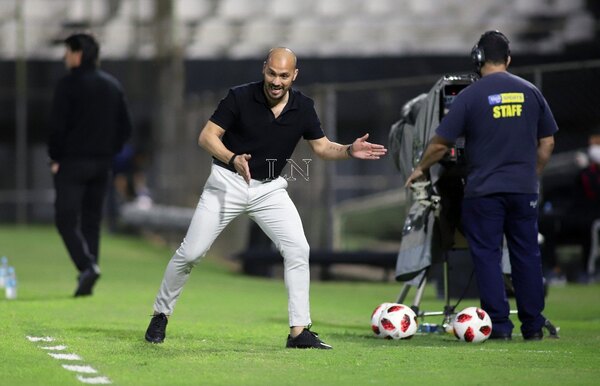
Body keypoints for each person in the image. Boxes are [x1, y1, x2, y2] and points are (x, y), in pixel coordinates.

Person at [144, 47, 387, 349]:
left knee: (298, 249)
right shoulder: (239, 96)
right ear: (264, 69)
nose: (276, 81)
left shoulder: (303, 107)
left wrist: (350, 149)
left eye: (284, 75)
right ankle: (161, 314)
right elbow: (207, 136)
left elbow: (322, 148)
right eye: (272, 73)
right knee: (191, 254)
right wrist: (232, 158)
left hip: (269, 189)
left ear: (294, 76)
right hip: (226, 183)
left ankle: (299, 332)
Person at [404, 31, 558, 340]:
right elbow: (548, 142)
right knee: (526, 255)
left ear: (477, 58)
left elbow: (439, 145)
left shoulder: (470, 96)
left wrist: (419, 168)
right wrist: (532, 174)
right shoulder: (531, 92)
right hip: (523, 190)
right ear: (508, 59)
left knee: (487, 256)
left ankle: (499, 326)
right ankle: (533, 326)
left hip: (484, 192)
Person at [48, 32, 133, 297]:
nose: (65, 57)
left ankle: (86, 266)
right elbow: (126, 128)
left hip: (73, 163)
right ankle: (90, 271)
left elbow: (57, 127)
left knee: (65, 218)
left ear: (78, 54)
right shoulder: (112, 85)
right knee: (92, 220)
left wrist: (56, 157)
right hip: (102, 164)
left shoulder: (67, 85)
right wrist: (110, 152)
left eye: (68, 51)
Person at [540, 131, 600, 284]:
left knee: (591, 227)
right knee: (548, 224)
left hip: (592, 217)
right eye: (593, 144)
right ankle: (551, 270)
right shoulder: (583, 170)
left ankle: (589, 271)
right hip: (575, 215)